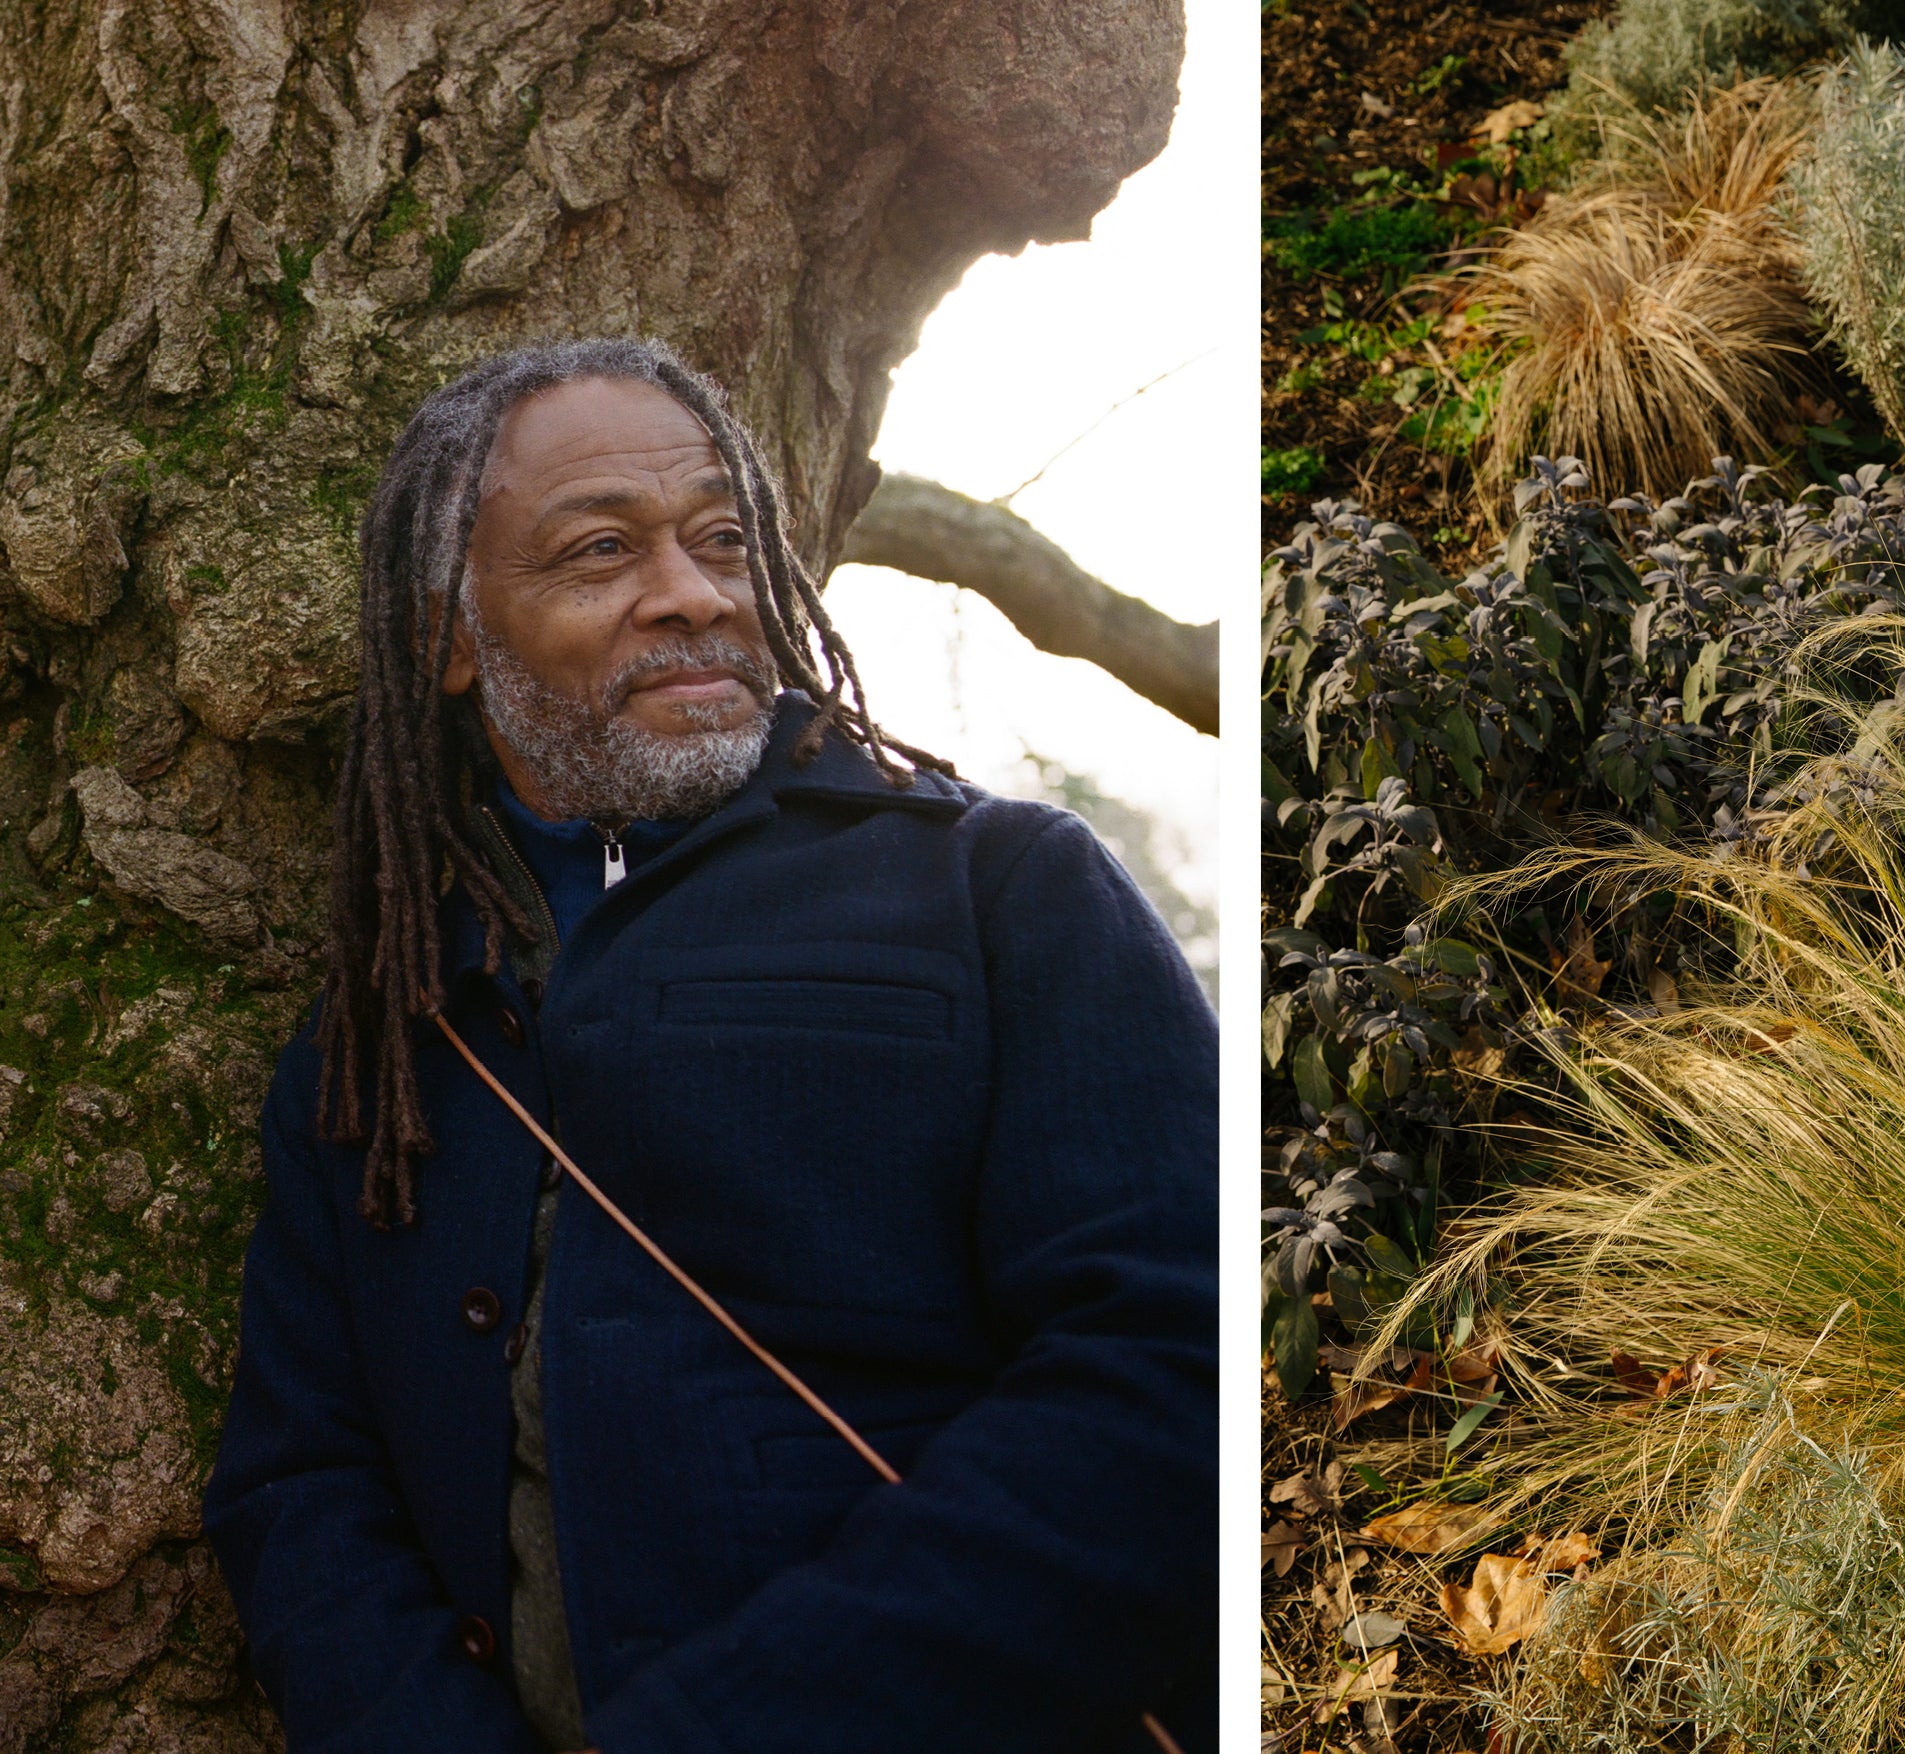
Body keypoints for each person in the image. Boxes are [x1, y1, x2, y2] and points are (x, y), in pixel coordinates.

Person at [203, 336, 1217, 1754]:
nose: (689, 592)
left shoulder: (1005, 890)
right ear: (450, 635)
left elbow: (1176, 1366)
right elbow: (299, 1484)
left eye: (722, 539)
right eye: (601, 549)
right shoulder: (373, 1044)